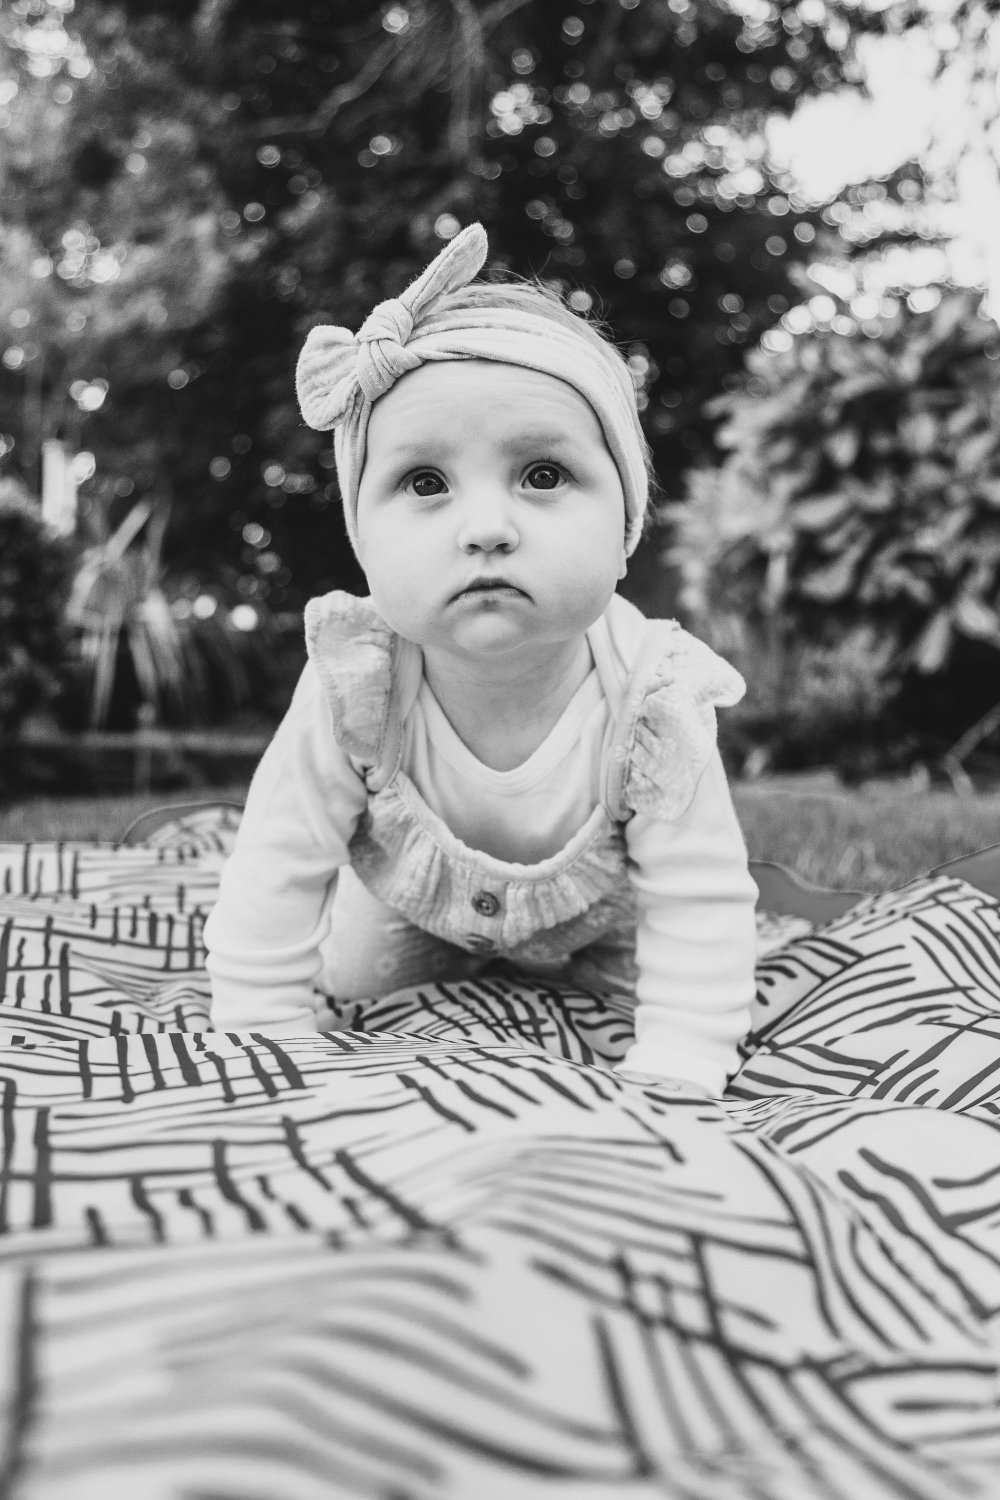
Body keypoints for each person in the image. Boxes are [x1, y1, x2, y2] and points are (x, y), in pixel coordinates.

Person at [204, 222, 758, 1095]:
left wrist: (685, 1053)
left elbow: (699, 888)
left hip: (602, 919)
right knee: (354, 980)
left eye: (542, 475)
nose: (488, 528)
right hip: (415, 911)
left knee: (682, 983)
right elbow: (278, 858)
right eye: (425, 483)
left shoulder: (652, 690)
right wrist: (262, 1027)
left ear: (624, 528)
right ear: (363, 540)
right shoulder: (357, 681)